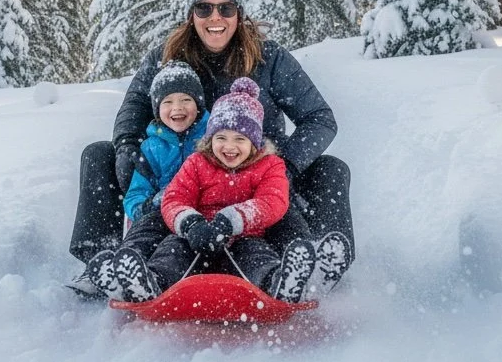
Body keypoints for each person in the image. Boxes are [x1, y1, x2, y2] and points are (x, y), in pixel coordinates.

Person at [68, 0, 354, 298]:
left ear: (239, 15)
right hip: (185, 182)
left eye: (225, 8)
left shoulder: (269, 59)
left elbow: (320, 119)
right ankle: (103, 262)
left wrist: (286, 166)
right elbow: (133, 108)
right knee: (99, 154)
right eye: (204, 7)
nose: (214, 16)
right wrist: (127, 148)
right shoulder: (166, 58)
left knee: (331, 168)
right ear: (191, 15)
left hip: (256, 182)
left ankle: (318, 268)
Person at [101, 78, 351, 303]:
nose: (229, 147)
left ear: (254, 142)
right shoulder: (197, 163)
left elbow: (273, 201)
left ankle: (284, 281)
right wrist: (190, 224)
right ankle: (144, 282)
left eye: (240, 139)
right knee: (172, 252)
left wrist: (233, 221)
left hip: (246, 237)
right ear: (210, 140)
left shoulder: (269, 165)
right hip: (196, 235)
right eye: (221, 138)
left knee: (257, 258)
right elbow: (175, 198)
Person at [82, 60, 210, 300]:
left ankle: (150, 281)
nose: (177, 108)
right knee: (144, 232)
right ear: (156, 108)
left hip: (198, 214)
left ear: (199, 104)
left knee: (173, 248)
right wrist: (147, 205)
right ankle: (122, 270)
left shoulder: (213, 140)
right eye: (168, 102)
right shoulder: (151, 149)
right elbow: (135, 194)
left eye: (186, 100)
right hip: (161, 211)